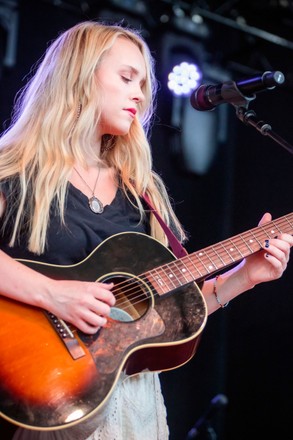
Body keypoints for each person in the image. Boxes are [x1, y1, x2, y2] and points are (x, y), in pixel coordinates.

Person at [0, 21, 291, 440]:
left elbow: (164, 314)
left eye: (143, 83)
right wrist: (53, 293)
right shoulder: (17, 171)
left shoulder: (141, 189)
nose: (139, 93)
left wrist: (244, 276)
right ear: (80, 76)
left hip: (129, 407)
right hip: (41, 394)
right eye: (126, 77)